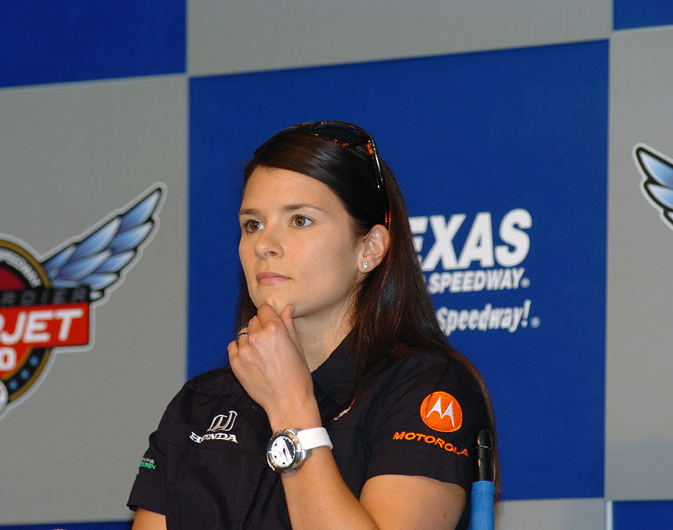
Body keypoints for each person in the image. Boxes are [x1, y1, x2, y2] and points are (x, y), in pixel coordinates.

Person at [128, 121, 499, 530]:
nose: (264, 244)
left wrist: (291, 408)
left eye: (300, 220)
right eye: (252, 224)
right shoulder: (199, 405)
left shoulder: (426, 387)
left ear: (370, 248)